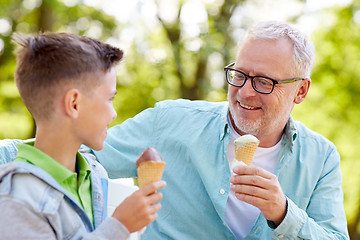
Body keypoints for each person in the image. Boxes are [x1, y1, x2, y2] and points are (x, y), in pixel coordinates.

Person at [0, 21, 349, 239]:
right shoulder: (170, 122)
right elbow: (71, 149)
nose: (243, 92)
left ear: (300, 91)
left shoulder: (321, 158)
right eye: (239, 75)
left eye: (263, 82)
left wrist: (283, 213)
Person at [0, 33, 165, 239]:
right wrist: (120, 225)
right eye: (109, 98)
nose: (113, 114)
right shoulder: (16, 198)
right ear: (74, 103)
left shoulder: (94, 173)